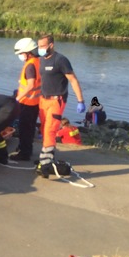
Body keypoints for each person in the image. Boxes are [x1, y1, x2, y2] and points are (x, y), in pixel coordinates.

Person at [36, 34, 86, 178]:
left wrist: (80, 100)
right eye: (39, 46)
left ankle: (46, 163)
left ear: (51, 45)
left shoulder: (61, 60)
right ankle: (45, 159)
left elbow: (73, 80)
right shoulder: (42, 60)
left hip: (56, 100)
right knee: (44, 130)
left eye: (43, 46)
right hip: (43, 100)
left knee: (50, 131)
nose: (40, 49)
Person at [10, 37, 41, 161]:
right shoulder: (38, 61)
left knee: (24, 129)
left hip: (27, 102)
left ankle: (24, 153)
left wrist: (17, 98)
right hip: (36, 102)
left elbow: (31, 85)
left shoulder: (30, 66)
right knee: (30, 127)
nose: (21, 56)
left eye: (21, 53)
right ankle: (26, 148)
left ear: (28, 52)